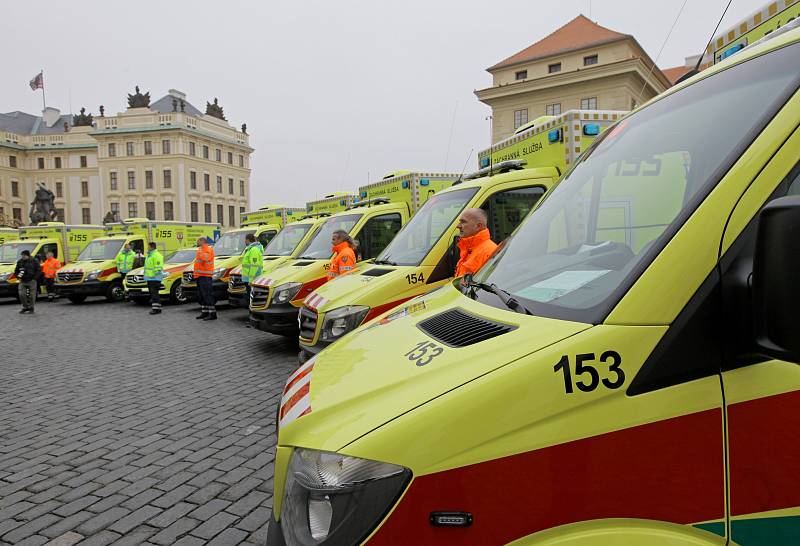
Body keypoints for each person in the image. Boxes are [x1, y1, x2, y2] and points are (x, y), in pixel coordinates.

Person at [455, 208, 497, 278]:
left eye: (463, 222)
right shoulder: (468, 249)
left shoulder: (489, 251)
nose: (458, 226)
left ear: (478, 226)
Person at [240, 233, 263, 327]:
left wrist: (251, 280)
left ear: (248, 240)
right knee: (250, 299)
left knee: (252, 299)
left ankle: (253, 319)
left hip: (251, 279)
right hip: (249, 279)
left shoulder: (253, 250)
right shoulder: (251, 249)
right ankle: (252, 318)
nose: (244, 241)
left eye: (245, 239)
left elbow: (254, 266)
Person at [194, 236, 217, 320]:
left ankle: (212, 314)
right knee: (202, 295)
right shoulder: (201, 249)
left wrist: (200, 251)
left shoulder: (207, 249)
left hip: (205, 276)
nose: (197, 243)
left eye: (198, 241)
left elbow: (205, 259)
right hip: (200, 276)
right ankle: (205, 312)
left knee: (207, 295)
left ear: (202, 241)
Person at [14, 250, 41, 314]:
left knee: (32, 296)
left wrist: (34, 278)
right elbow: (16, 271)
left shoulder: (34, 261)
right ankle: (25, 307)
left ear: (28, 255)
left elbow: (39, 270)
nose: (22, 256)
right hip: (22, 281)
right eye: (22, 255)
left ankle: (31, 308)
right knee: (21, 294)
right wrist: (18, 277)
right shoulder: (20, 262)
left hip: (32, 281)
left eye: (24, 255)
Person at [143, 242, 164, 315]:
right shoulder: (150, 255)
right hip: (151, 278)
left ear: (152, 247)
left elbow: (158, 267)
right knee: (154, 294)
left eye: (148, 247)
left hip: (154, 278)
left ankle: (155, 309)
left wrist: (153, 275)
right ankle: (157, 308)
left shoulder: (156, 255)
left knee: (154, 294)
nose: (147, 248)